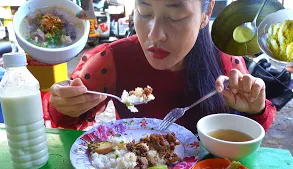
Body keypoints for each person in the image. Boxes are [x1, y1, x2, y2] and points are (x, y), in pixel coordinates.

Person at [47, 0, 276, 133]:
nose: (154, 35)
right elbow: (63, 119)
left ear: (206, 13)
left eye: (175, 17)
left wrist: (255, 110)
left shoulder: (226, 62)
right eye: (144, 12)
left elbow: (253, 130)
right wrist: (64, 105)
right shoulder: (112, 59)